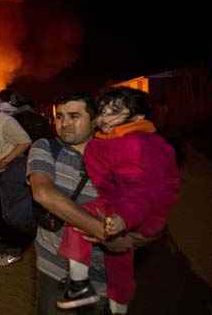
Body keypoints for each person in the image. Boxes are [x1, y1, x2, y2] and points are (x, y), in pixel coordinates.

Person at [27, 92, 157, 315]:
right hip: (53, 266)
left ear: (95, 119)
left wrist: (131, 240)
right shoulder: (46, 147)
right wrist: (105, 233)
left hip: (103, 275)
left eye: (74, 116)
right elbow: (43, 193)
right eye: (59, 117)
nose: (64, 124)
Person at [56, 88, 180, 314]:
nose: (104, 118)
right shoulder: (107, 141)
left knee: (113, 259)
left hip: (136, 211)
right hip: (116, 206)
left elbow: (142, 191)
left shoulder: (138, 144)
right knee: (114, 259)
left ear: (138, 117)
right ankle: (88, 290)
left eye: (114, 112)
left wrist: (123, 219)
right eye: (102, 112)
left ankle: (94, 294)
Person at [0, 91, 33, 266]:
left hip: (12, 169)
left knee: (12, 212)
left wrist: (7, 159)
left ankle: (15, 250)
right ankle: (2, 234)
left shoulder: (7, 122)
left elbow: (25, 141)